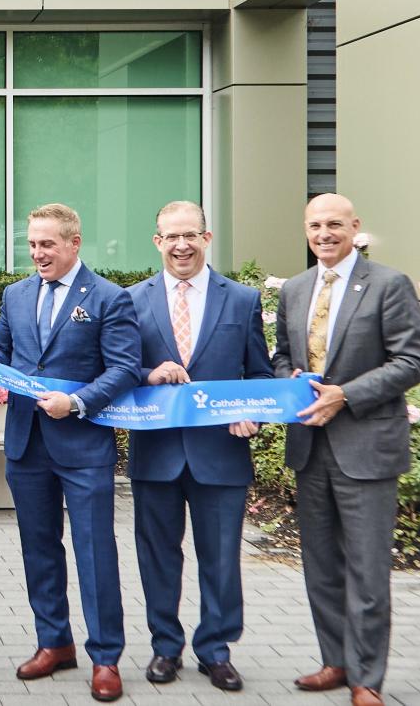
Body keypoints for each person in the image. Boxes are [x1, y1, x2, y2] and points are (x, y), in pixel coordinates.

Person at [0, 203, 141, 703]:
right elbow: (5, 349)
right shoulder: (16, 294)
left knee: (94, 551)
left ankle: (106, 657)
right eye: (32, 244)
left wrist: (79, 402)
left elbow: (126, 367)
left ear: (74, 243)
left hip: (84, 444)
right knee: (39, 548)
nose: (37, 253)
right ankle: (54, 643)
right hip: (26, 443)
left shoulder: (109, 297)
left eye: (47, 244)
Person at [271, 194, 420, 706]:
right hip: (310, 448)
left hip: (367, 447)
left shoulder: (388, 284)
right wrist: (288, 382)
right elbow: (281, 359)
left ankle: (367, 678)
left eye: (334, 224)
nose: (324, 233)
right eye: (315, 225)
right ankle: (334, 661)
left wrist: (347, 394)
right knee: (320, 564)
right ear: (306, 230)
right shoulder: (294, 290)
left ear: (355, 227)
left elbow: (412, 361)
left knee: (366, 568)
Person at [126, 201, 273, 691]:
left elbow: (260, 375)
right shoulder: (132, 300)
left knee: (222, 557)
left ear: (207, 238)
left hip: (222, 454)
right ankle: (165, 647)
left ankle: (216, 650)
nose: (181, 245)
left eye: (191, 235)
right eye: (171, 236)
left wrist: (253, 412)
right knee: (158, 557)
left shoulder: (242, 300)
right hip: (157, 454)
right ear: (157, 242)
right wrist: (149, 373)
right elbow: (121, 372)